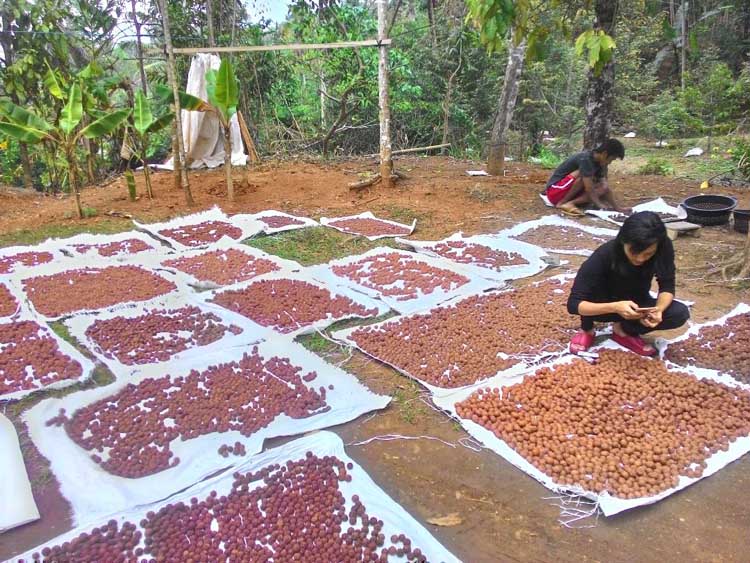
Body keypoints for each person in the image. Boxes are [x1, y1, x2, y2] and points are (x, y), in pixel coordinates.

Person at [567, 211, 690, 356]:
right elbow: (574, 304)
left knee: (679, 313)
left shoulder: (663, 247)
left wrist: (658, 310)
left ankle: (623, 331)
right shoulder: (605, 255)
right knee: (589, 296)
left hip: (636, 305)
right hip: (603, 306)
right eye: (634, 252)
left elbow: (667, 285)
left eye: (648, 254)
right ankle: (587, 329)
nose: (640, 259)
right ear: (623, 241)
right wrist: (615, 307)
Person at [543, 138, 630, 216]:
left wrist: (617, 208)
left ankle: (570, 203)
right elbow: (589, 188)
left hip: (566, 191)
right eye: (611, 159)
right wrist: (600, 205)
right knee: (584, 176)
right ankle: (563, 202)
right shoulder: (585, 159)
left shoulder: (600, 163)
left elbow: (605, 187)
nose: (610, 162)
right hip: (554, 192)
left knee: (602, 187)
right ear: (604, 154)